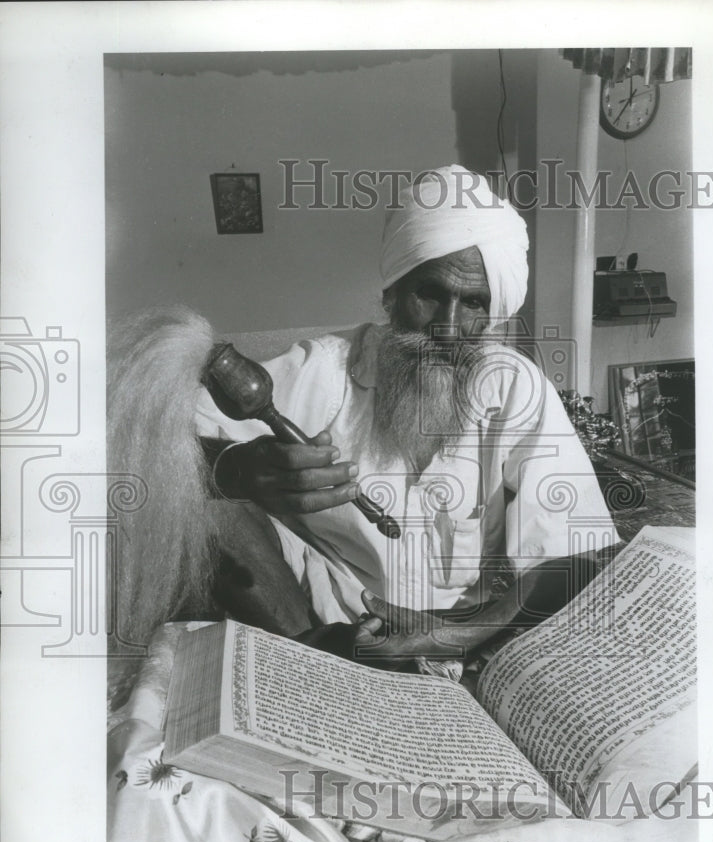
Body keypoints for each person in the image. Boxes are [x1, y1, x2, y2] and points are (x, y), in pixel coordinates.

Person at [108, 166, 617, 670]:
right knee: (210, 497)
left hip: (468, 636)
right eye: (431, 293)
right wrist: (240, 469)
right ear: (391, 295)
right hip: (320, 622)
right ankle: (317, 662)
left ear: (493, 313)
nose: (448, 326)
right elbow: (156, 449)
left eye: (474, 304)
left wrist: (466, 632)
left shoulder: (514, 387)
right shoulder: (321, 371)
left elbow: (578, 551)